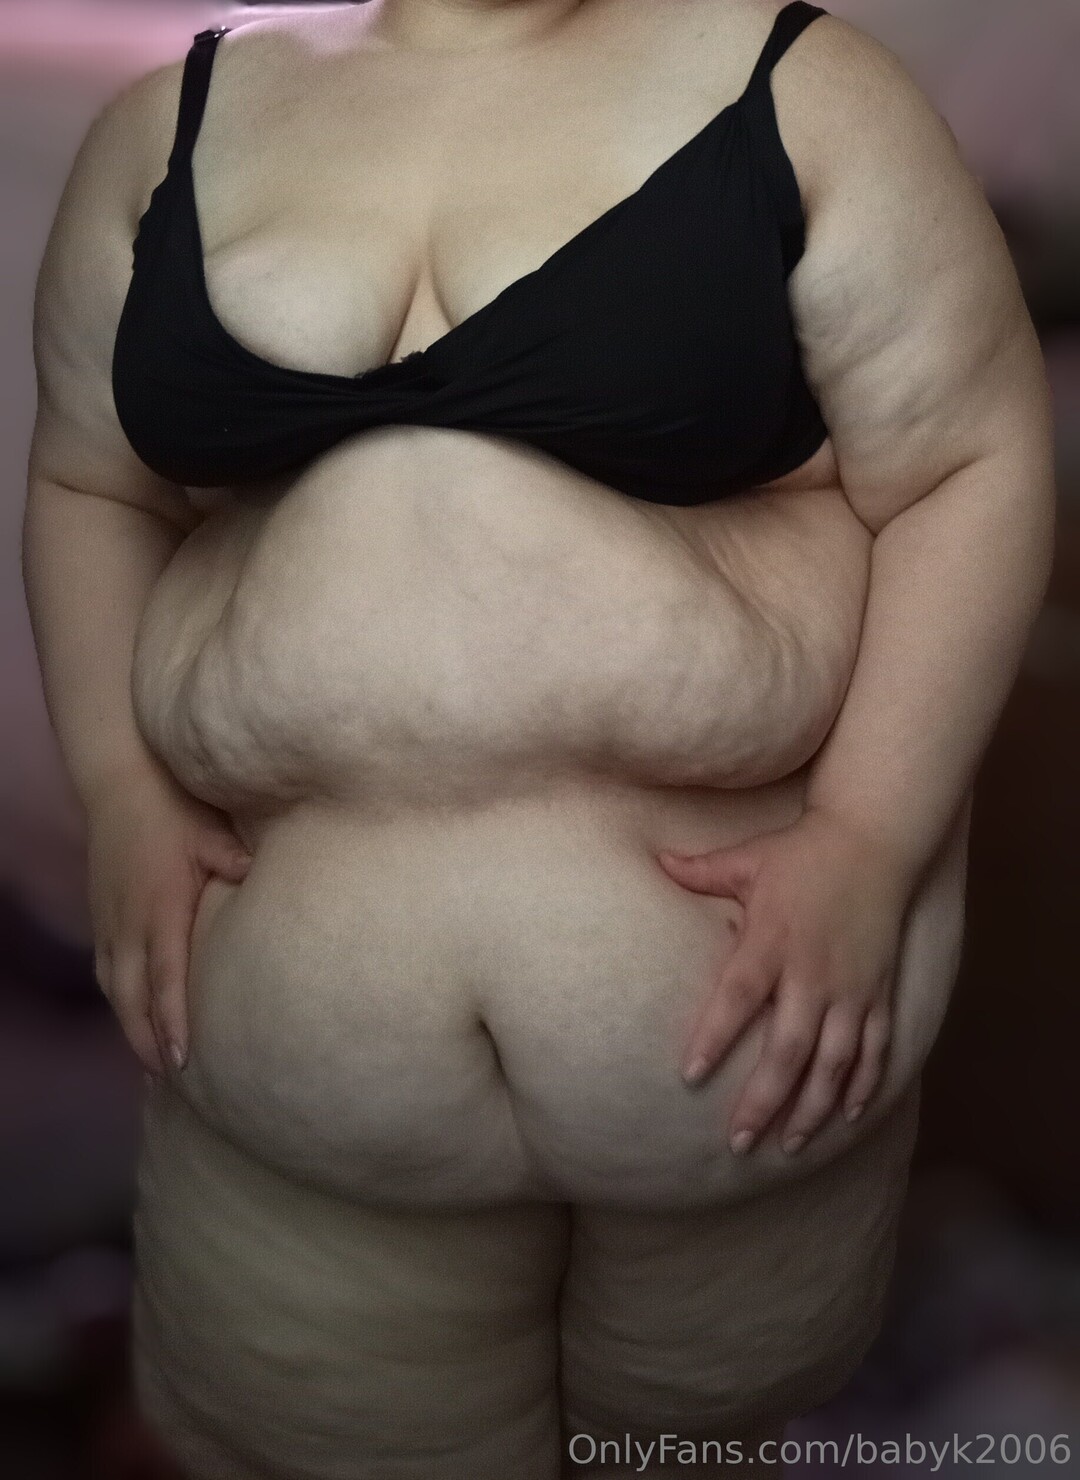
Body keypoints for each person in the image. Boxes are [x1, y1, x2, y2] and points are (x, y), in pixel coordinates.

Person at [22, 0, 1054, 1474]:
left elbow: (967, 459)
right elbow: (87, 482)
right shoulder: (166, 128)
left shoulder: (805, 88)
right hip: (296, 1124)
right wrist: (120, 788)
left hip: (739, 1083)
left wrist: (870, 835)